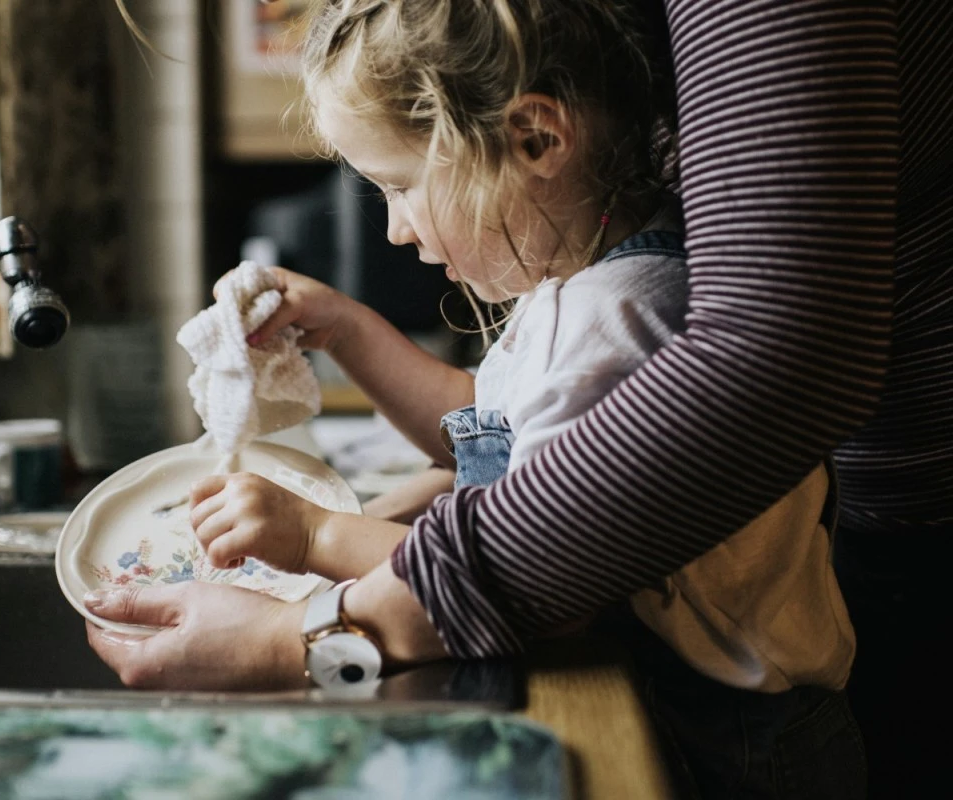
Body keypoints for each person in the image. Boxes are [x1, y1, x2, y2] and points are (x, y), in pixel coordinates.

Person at [94, 0, 951, 796]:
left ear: (537, 137)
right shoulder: (585, 287)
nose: (394, 228)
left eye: (399, 185)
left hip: (736, 737)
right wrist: (351, 333)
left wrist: (318, 544)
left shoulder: (612, 321)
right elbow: (493, 441)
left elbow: (557, 582)